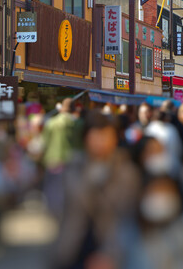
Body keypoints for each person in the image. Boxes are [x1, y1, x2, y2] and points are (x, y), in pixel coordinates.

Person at [50, 110, 142, 269]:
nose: (101, 142)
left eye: (106, 136)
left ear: (115, 138)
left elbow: (129, 218)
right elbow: (58, 206)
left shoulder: (127, 172)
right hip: (72, 247)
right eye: (95, 136)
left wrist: (111, 254)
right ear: (85, 138)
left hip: (112, 251)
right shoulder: (72, 168)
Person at [41, 97, 75, 217]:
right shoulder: (76, 123)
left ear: (62, 109)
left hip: (53, 158)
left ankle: (53, 211)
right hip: (71, 160)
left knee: (53, 187)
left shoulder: (52, 123)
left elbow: (44, 141)